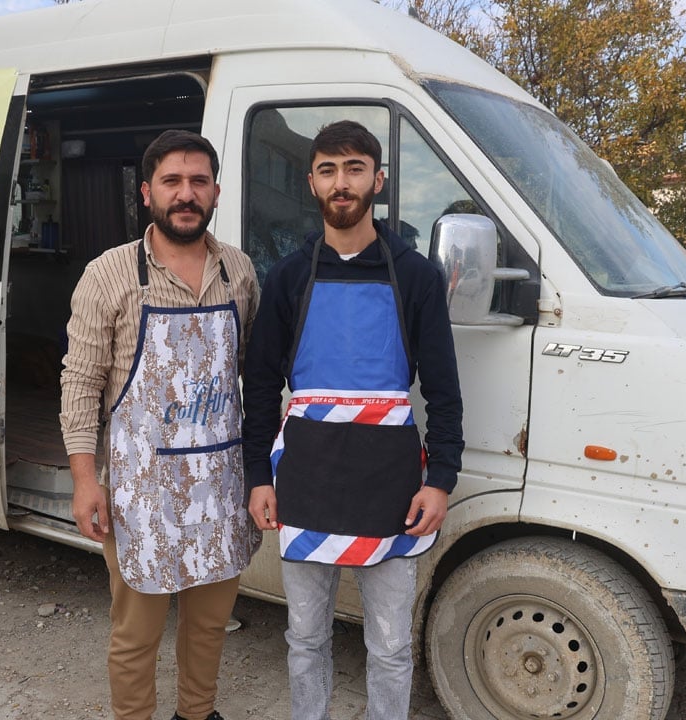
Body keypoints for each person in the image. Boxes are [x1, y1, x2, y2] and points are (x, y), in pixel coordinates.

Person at [242, 120, 464, 720]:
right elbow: (261, 385)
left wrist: (440, 479)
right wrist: (258, 477)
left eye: (354, 169)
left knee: (391, 645)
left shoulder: (416, 275)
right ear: (312, 182)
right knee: (305, 639)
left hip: (390, 486)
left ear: (378, 180)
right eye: (328, 170)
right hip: (306, 480)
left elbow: (443, 391)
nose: (342, 183)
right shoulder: (288, 276)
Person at [60, 129, 261, 720]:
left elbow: (254, 371)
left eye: (198, 181)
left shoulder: (239, 272)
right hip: (138, 493)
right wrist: (83, 479)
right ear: (147, 192)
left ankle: (196, 714)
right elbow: (80, 383)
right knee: (136, 635)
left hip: (218, 489)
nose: (185, 194)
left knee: (209, 626)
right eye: (172, 181)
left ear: (216, 192)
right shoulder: (111, 274)